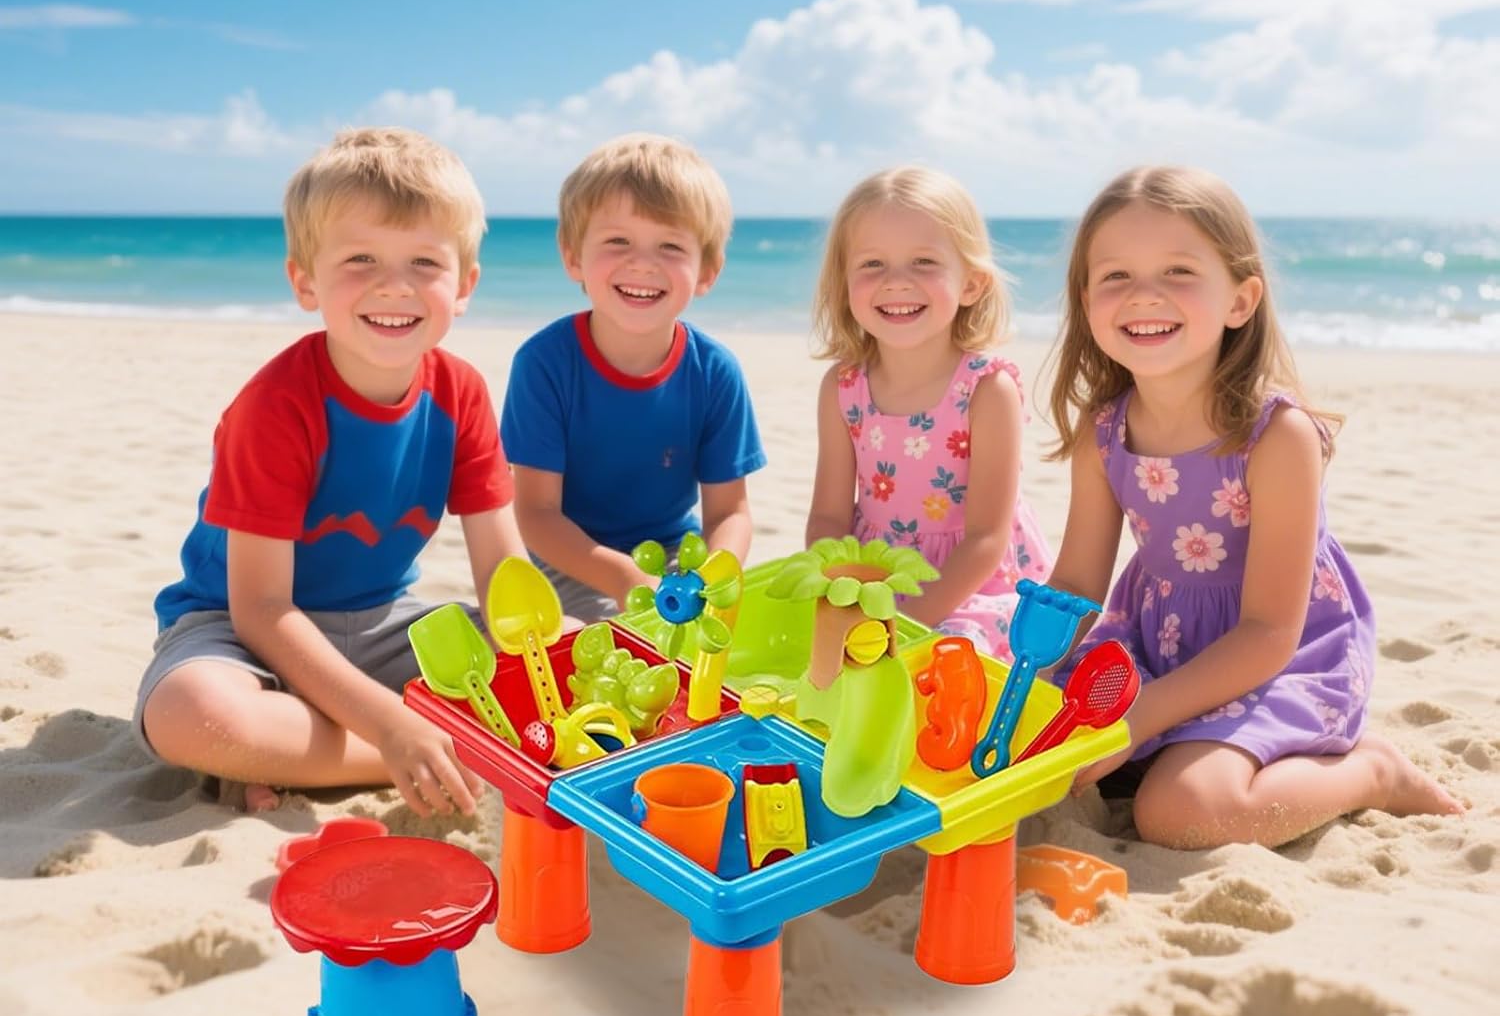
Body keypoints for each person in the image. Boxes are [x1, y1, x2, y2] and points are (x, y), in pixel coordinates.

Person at [1047, 165, 1464, 848]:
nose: (1144, 295)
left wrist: (1137, 717)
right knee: (1034, 743)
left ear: (1240, 300)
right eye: (1116, 276)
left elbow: (1269, 631)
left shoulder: (1275, 437)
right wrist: (1026, 676)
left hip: (1275, 656)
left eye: (1179, 271)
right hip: (1156, 644)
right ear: (1087, 301)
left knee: (1180, 811)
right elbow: (1075, 586)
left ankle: (1372, 773)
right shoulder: (1104, 432)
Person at [136, 128, 524, 816]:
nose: (394, 285)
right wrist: (391, 726)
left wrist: (535, 650)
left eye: (424, 262)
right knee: (192, 713)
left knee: (554, 652)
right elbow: (261, 610)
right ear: (305, 281)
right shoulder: (276, 405)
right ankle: (434, 752)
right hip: (240, 627)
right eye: (361, 259)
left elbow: (503, 571)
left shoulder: (460, 392)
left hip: (382, 624)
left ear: (463, 285)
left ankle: (309, 754)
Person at [501, 133, 765, 622]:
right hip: (567, 558)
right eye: (618, 241)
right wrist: (623, 577)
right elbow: (536, 515)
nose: (642, 263)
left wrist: (712, 575)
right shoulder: (543, 364)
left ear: (707, 271)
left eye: (670, 246)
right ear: (573, 255)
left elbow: (730, 512)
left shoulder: (715, 372)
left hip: (675, 553)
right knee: (607, 634)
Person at [805, 166, 1052, 658]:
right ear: (844, 282)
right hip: (875, 575)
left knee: (949, 656)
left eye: (923, 262)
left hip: (972, 585)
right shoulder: (843, 388)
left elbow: (986, 540)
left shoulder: (987, 390)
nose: (897, 282)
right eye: (872, 264)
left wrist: (909, 623)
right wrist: (838, 587)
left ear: (972, 284)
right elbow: (828, 517)